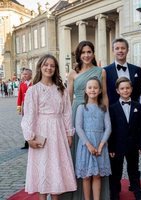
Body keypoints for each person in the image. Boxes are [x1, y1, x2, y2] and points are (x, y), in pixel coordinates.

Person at [21, 54, 77, 200]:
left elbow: (66, 113)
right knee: (43, 168)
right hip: (42, 133)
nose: (49, 68)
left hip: (58, 132)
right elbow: (29, 115)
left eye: (52, 65)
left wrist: (69, 133)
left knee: (56, 168)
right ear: (40, 67)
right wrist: (29, 137)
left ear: (56, 69)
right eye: (46, 65)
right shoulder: (34, 90)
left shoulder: (61, 89)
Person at [63, 40, 109, 200]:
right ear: (79, 55)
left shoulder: (101, 72)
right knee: (78, 153)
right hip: (77, 112)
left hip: (96, 113)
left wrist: (106, 116)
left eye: (89, 52)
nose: (86, 55)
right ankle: (76, 195)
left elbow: (105, 95)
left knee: (96, 155)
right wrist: (66, 122)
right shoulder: (72, 74)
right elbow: (68, 99)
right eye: (83, 52)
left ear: (93, 53)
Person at [104, 38, 141, 196]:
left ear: (127, 50)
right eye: (117, 48)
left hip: (133, 121)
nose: (120, 50)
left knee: (133, 166)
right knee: (115, 166)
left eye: (123, 48)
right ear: (113, 50)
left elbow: (137, 94)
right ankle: (114, 191)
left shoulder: (136, 70)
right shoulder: (106, 70)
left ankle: (135, 188)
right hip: (115, 120)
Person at [109, 77, 141, 200]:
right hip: (118, 145)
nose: (125, 90)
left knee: (134, 170)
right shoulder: (112, 108)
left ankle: (137, 192)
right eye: (122, 88)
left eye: (127, 88)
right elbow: (111, 129)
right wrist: (111, 147)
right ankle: (114, 194)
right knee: (116, 171)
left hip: (133, 145)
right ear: (117, 91)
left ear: (132, 89)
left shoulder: (137, 106)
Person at [75, 77, 111, 200]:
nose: (92, 90)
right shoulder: (81, 108)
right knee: (86, 176)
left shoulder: (103, 108)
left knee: (97, 175)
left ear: (100, 90)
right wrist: (89, 145)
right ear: (85, 90)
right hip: (86, 146)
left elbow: (108, 128)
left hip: (100, 144)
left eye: (95, 87)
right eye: (90, 87)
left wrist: (101, 145)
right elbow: (78, 128)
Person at [17, 68, 32, 149]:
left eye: (26, 74)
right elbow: (19, 97)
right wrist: (19, 108)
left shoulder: (34, 84)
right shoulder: (22, 84)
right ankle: (26, 142)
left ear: (30, 75)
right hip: (25, 108)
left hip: (32, 107)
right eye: (23, 74)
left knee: (32, 124)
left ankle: (31, 141)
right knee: (25, 125)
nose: (24, 75)